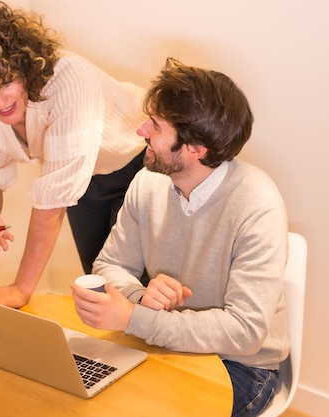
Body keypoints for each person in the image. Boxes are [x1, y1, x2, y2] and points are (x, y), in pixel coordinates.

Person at [71, 58, 289, 417]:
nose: (141, 130)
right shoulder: (148, 182)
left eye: (155, 126)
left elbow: (246, 331)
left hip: (238, 365)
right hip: (163, 344)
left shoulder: (257, 205)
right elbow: (110, 264)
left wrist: (134, 318)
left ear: (196, 148)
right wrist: (142, 297)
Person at [0, 1, 146, 308]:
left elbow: (52, 200)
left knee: (137, 292)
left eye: (6, 82)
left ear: (25, 66)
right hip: (89, 180)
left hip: (141, 165)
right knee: (100, 286)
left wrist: (20, 289)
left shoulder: (69, 77)